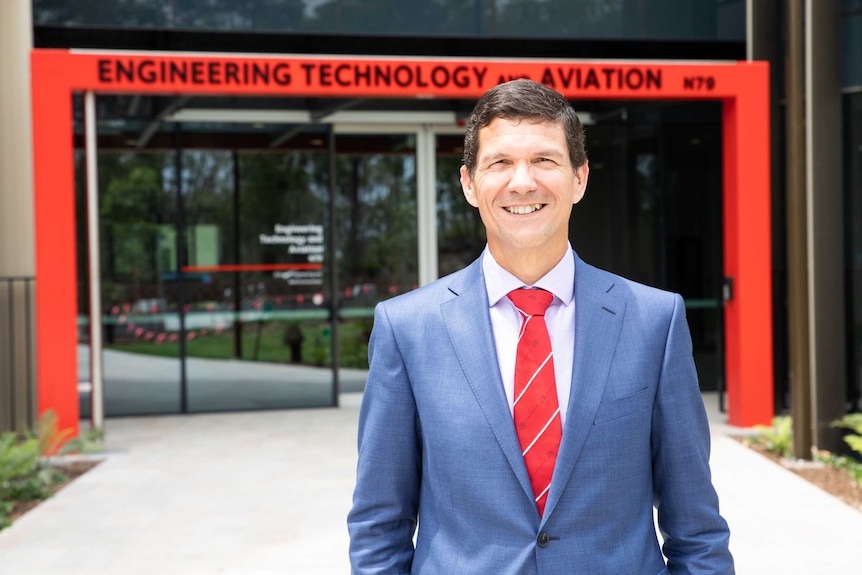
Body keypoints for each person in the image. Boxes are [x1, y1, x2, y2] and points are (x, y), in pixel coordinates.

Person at [347, 79, 734, 574]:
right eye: (500, 162)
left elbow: (696, 529)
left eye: (545, 160)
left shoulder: (654, 322)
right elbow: (380, 524)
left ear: (580, 178)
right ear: (469, 183)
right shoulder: (407, 328)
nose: (523, 182)